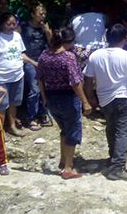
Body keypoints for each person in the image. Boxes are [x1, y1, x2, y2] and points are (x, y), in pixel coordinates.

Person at [84, 24, 127, 181]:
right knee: (124, 132)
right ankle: (117, 166)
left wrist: (90, 98)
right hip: (124, 99)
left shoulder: (96, 55)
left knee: (111, 128)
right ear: (124, 38)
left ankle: (113, 157)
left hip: (104, 100)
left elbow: (87, 79)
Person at [37, 28, 91, 179]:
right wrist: (85, 102)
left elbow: (39, 78)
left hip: (51, 98)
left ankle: (62, 160)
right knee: (72, 132)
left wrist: (44, 97)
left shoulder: (44, 56)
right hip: (68, 98)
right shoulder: (68, 57)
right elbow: (76, 82)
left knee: (64, 130)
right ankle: (68, 167)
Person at [0, 13, 30, 137]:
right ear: (2, 23)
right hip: (1, 77)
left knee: (14, 103)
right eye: (8, 23)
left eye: (14, 23)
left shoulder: (17, 36)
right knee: (1, 106)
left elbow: (21, 54)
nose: (11, 26)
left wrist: (33, 63)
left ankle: (12, 126)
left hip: (18, 75)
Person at [21, 4, 52, 131]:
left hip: (43, 60)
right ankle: (31, 116)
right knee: (34, 88)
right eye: (40, 13)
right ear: (33, 14)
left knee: (44, 87)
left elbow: (51, 43)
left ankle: (42, 112)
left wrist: (47, 31)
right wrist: (32, 62)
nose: (43, 16)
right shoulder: (24, 27)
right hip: (29, 60)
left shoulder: (45, 26)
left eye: (44, 14)